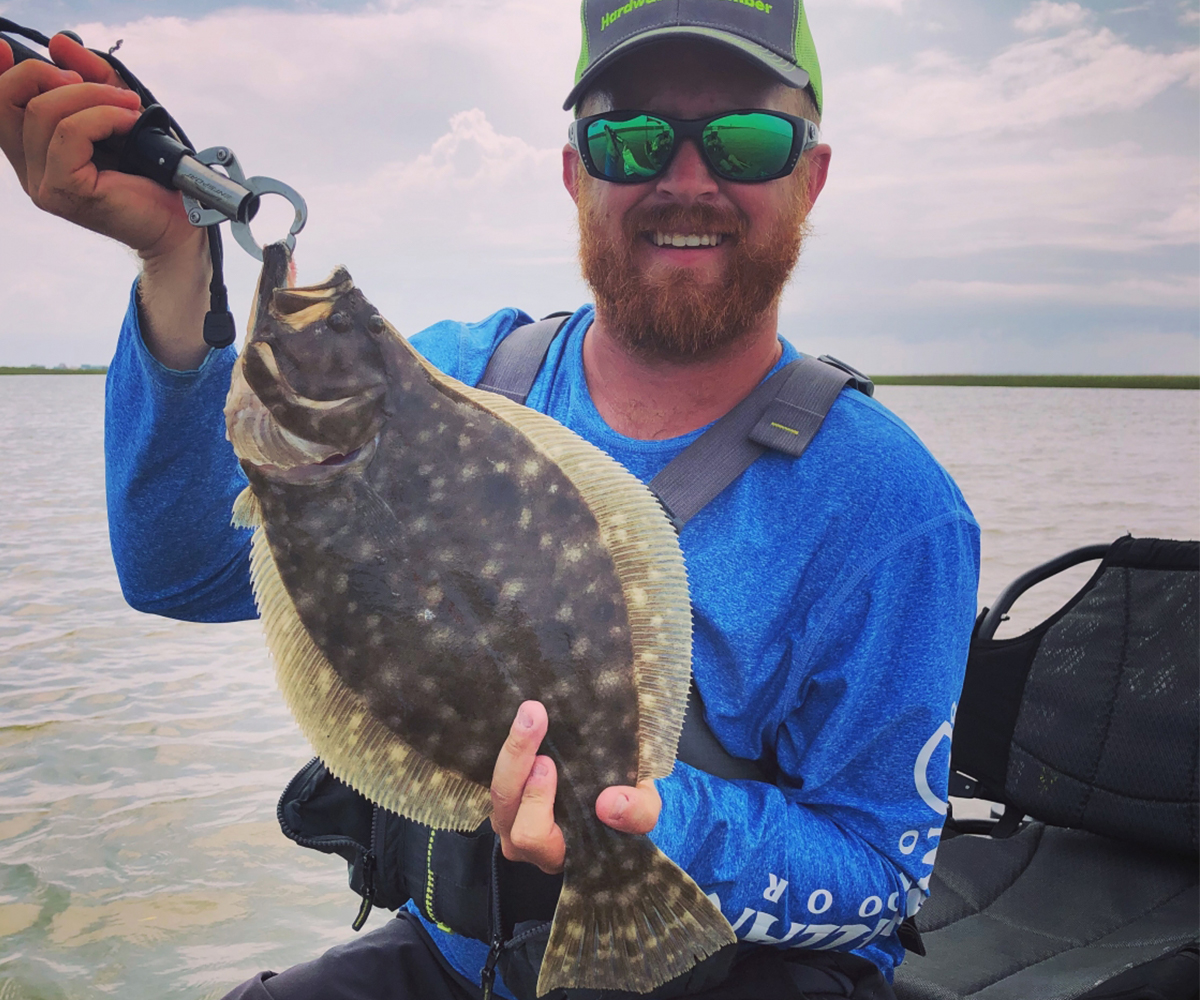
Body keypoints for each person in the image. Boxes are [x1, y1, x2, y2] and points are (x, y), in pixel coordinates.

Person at [0, 2, 980, 998]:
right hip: (457, 957)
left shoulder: (892, 509)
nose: (687, 178)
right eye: (631, 136)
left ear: (810, 176)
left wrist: (647, 817)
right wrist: (175, 255)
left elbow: (879, 872)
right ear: (575, 171)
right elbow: (184, 566)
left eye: (747, 137)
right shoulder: (466, 376)